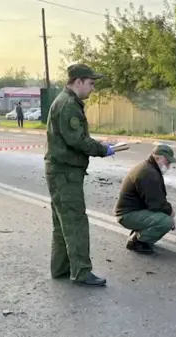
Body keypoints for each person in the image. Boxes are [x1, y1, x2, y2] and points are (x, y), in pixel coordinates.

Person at [45, 63, 114, 287]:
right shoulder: (68, 105)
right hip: (66, 172)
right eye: (91, 83)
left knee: (62, 222)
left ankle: (61, 268)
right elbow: (77, 140)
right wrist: (103, 149)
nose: (92, 88)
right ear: (78, 82)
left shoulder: (65, 101)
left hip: (59, 170)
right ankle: (81, 272)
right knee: (75, 222)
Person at [114, 145, 176, 254]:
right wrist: (172, 215)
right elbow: (158, 204)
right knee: (166, 221)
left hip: (132, 210)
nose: (169, 166)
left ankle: (139, 232)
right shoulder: (148, 173)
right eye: (167, 162)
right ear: (157, 158)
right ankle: (137, 242)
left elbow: (156, 198)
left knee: (164, 215)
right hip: (127, 215)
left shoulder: (150, 168)